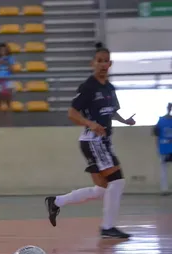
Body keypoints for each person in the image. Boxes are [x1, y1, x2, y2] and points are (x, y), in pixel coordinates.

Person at [44, 42, 136, 239]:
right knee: (117, 181)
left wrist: (124, 120)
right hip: (93, 141)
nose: (103, 65)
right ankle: (107, 227)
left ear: (110, 64)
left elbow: (111, 112)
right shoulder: (88, 87)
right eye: (99, 61)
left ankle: (56, 202)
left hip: (101, 142)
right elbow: (71, 113)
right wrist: (91, 124)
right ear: (92, 63)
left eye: (106, 61)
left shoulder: (110, 88)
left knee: (102, 190)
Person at [0, 43, 15, 124]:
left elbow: (12, 71)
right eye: (1, 50)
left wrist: (7, 63)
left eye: (4, 50)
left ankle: (9, 123)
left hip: (8, 80)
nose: (3, 51)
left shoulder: (10, 58)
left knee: (9, 103)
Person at [153, 103, 172, 195]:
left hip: (167, 148)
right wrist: (157, 148)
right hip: (163, 148)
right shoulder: (160, 121)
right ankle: (164, 189)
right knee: (163, 169)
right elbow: (156, 135)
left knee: (164, 169)